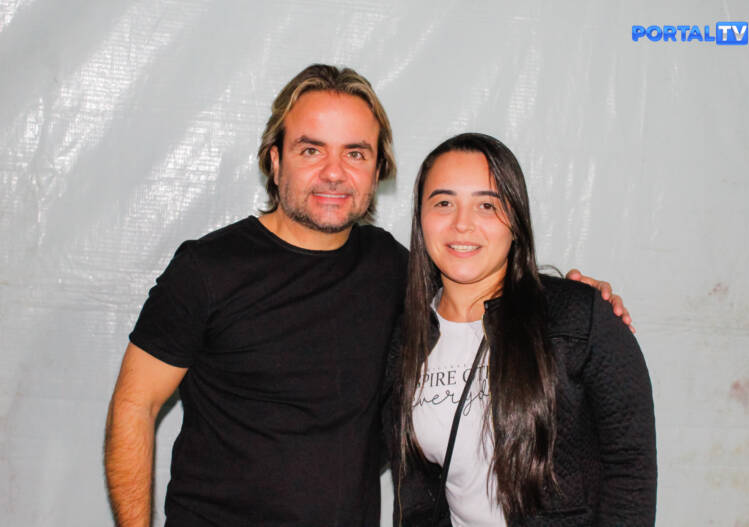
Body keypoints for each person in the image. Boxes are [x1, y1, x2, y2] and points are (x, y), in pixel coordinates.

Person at [104, 65, 631, 527]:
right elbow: (134, 404)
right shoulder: (207, 270)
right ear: (275, 159)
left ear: (377, 170)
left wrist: (572, 299)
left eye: (354, 153)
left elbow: (480, 277)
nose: (334, 172)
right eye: (311, 149)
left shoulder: (394, 270)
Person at [385, 133, 656, 526]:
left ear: (516, 221)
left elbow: (631, 470)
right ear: (421, 218)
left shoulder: (578, 320)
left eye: (487, 205)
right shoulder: (404, 338)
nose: (462, 224)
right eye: (444, 203)